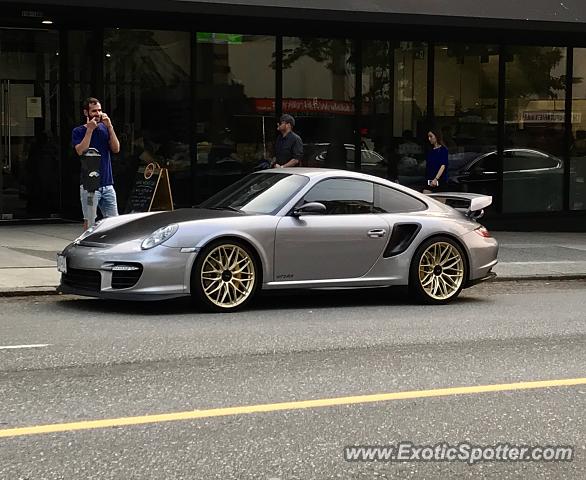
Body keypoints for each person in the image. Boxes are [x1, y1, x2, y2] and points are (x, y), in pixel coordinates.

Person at [72, 97, 121, 230]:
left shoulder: (104, 129)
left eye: (99, 110)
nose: (98, 114)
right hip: (90, 184)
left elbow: (116, 148)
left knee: (114, 221)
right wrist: (89, 130)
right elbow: (81, 151)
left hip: (107, 183)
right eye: (94, 111)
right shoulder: (78, 131)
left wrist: (109, 126)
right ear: (86, 113)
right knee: (90, 222)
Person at [423, 128, 449, 193]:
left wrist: (436, 179)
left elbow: (443, 165)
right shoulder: (430, 150)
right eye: (428, 137)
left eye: (431, 136)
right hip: (429, 179)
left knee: (439, 201)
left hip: (440, 180)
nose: (429, 139)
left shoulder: (443, 150)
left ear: (436, 136)